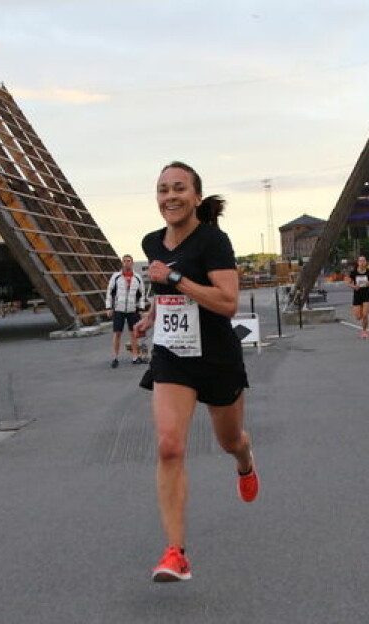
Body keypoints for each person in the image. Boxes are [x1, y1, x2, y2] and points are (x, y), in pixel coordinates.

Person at [132, 161, 258, 583]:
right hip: (173, 354)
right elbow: (164, 292)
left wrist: (176, 277)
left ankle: (245, 461)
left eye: (179, 188)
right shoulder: (152, 241)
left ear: (196, 197)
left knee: (229, 441)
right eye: (163, 189)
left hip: (217, 357)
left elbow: (228, 303)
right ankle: (175, 554)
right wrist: (151, 316)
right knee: (169, 446)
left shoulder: (214, 241)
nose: (170, 196)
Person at [105, 254, 146, 368]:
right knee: (117, 333)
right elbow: (109, 292)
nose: (127, 263)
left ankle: (135, 357)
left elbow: (142, 294)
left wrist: (141, 308)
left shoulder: (137, 277)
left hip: (133, 310)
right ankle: (115, 358)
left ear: (132, 263)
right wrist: (109, 307)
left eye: (129, 261)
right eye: (124, 261)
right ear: (122, 263)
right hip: (119, 309)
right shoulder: (116, 276)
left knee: (133, 334)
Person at [346, 255, 369, 338]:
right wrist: (354, 287)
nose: (362, 263)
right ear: (358, 262)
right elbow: (348, 283)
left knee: (365, 315)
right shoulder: (354, 272)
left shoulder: (368, 272)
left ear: (366, 262)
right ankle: (362, 316)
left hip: (366, 295)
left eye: (364, 261)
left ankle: (364, 331)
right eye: (360, 261)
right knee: (358, 317)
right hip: (357, 295)